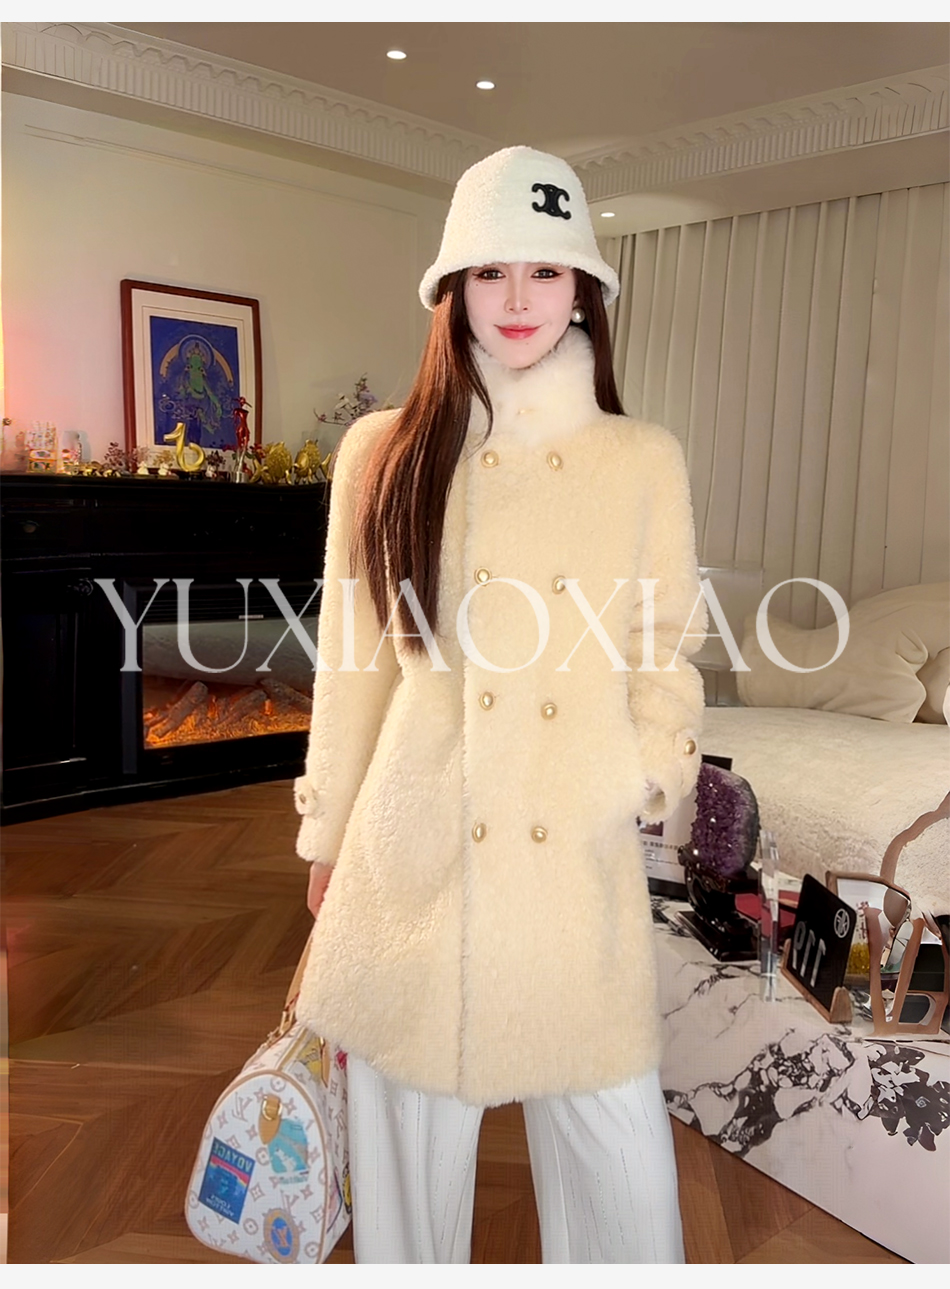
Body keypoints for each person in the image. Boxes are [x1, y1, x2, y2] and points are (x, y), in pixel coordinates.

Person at [292, 146, 707, 1263]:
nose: (518, 299)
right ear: (452, 288)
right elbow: (355, 663)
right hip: (413, 855)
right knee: (404, 1188)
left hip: (573, 855)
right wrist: (328, 835)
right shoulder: (383, 451)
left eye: (545, 270)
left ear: (584, 290)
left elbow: (664, 648)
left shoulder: (640, 458)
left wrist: (640, 773)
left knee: (623, 1179)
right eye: (491, 271)